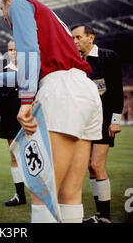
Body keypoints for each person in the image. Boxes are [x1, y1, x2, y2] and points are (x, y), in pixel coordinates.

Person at [0, 0, 103, 223]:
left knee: (42, 191)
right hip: (84, 91)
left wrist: (26, 100)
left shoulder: (18, 5)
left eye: (1, 9)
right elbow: (32, 68)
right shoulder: (51, 17)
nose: (5, 17)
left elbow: (29, 53)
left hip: (61, 91)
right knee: (69, 195)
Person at [71, 24, 124, 223]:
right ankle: (100, 215)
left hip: (104, 120)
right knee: (90, 168)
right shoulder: (75, 61)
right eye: (73, 38)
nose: (75, 41)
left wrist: (116, 120)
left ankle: (106, 217)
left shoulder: (108, 57)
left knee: (96, 164)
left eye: (78, 37)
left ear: (90, 37)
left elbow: (117, 90)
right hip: (84, 121)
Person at [0, 40, 26, 206]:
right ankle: (20, 195)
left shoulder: (32, 70)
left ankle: (42, 195)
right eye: (10, 49)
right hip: (9, 119)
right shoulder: (3, 72)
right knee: (14, 156)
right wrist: (0, 118)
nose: (13, 52)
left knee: (35, 156)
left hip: (29, 119)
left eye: (16, 49)